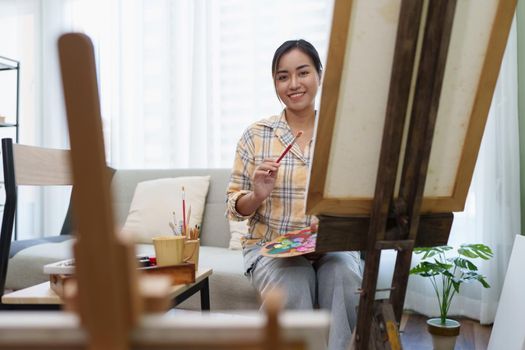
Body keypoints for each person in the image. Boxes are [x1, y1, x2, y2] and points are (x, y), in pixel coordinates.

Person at [226, 39, 362, 350]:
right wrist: (257, 195)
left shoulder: (343, 132)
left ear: (319, 75)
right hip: (269, 247)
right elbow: (234, 206)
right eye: (283, 76)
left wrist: (334, 223)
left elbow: (359, 201)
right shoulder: (255, 135)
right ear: (274, 82)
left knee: (341, 275)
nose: (294, 84)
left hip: (335, 246)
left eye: (303, 72)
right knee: (294, 280)